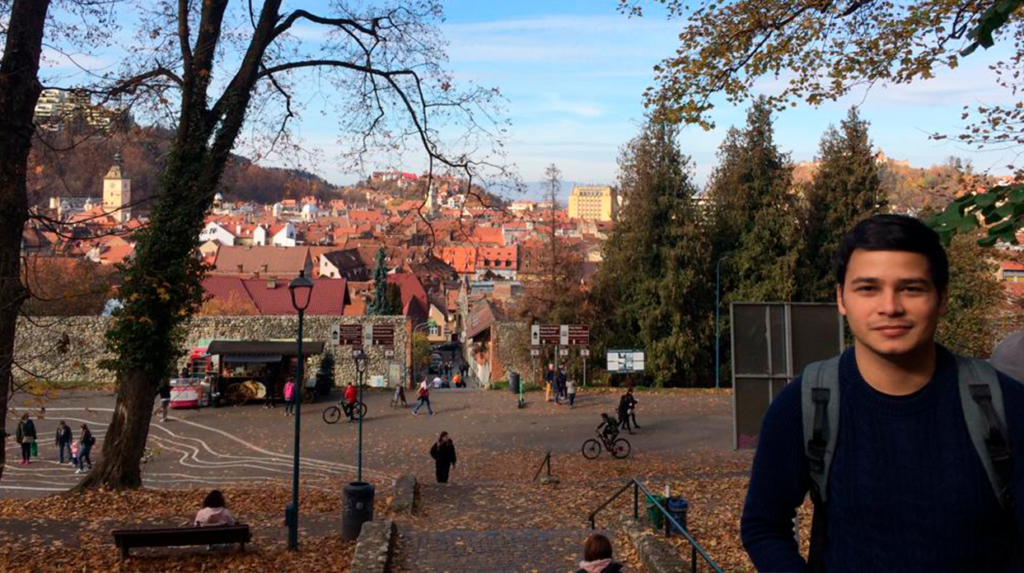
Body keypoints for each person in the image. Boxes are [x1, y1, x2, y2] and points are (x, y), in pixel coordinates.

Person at [741, 214, 1024, 573]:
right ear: (841, 298)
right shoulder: (804, 404)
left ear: (942, 298)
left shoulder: (1005, 404)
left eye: (911, 288)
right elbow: (764, 526)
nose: (890, 307)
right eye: (868, 288)